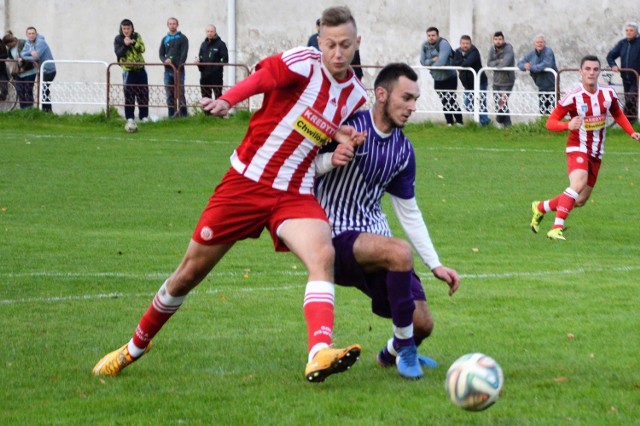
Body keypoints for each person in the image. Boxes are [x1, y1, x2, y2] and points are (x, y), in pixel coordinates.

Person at [92, 6, 368, 384]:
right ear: (319, 41)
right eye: (331, 45)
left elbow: (311, 134)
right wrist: (229, 99)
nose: (338, 53)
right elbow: (263, 80)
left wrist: (338, 148)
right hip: (246, 183)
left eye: (346, 46)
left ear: (358, 44)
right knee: (188, 274)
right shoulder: (303, 62)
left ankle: (319, 352)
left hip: (295, 192)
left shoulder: (354, 94)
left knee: (323, 254)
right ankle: (133, 347)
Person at [315, 63, 460, 380]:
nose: (412, 107)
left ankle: (389, 353)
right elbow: (300, 165)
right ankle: (407, 349)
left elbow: (409, 211)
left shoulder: (403, 150)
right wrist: (329, 160)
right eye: (406, 98)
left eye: (415, 100)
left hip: (374, 240)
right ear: (381, 94)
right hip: (333, 237)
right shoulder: (348, 126)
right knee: (399, 252)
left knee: (423, 323)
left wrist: (435, 264)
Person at [530, 55, 640, 240]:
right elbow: (550, 123)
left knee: (580, 200)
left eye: (595, 69)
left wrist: (631, 132)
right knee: (577, 184)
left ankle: (541, 207)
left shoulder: (608, 93)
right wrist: (567, 125)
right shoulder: (573, 96)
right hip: (577, 147)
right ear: (580, 72)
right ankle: (556, 228)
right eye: (587, 69)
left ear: (599, 72)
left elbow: (617, 113)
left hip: (597, 152)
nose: (591, 72)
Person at [420, 27, 463, 126]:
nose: (431, 38)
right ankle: (449, 123)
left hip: (450, 76)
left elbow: (441, 62)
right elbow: (422, 62)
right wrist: (432, 60)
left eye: (433, 35)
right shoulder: (425, 45)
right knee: (444, 100)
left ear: (437, 35)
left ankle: (460, 122)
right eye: (429, 36)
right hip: (437, 78)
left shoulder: (443, 44)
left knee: (451, 100)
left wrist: (430, 64)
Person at [114, 19, 149, 129]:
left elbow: (142, 48)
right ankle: (129, 117)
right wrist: (125, 44)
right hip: (128, 70)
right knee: (129, 94)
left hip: (140, 68)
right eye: (124, 28)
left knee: (143, 93)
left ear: (132, 28)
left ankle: (144, 116)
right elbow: (118, 52)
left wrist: (133, 43)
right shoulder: (118, 39)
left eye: (128, 28)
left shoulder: (137, 36)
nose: (126, 31)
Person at [453, 35, 491, 126]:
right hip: (467, 84)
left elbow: (468, 63)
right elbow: (454, 62)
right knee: (468, 105)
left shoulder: (474, 51)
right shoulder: (457, 51)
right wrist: (461, 63)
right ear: (460, 44)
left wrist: (461, 64)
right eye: (463, 43)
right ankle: (484, 121)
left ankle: (484, 123)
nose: (465, 45)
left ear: (471, 44)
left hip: (480, 82)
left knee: (481, 103)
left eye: (467, 43)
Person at [606, 21, 640, 122]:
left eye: (631, 30)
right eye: (627, 30)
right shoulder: (622, 43)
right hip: (625, 77)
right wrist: (613, 65)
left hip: (636, 77)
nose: (628, 33)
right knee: (630, 101)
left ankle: (622, 119)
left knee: (630, 99)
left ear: (636, 32)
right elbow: (610, 56)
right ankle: (630, 123)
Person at [517, 34, 558, 114]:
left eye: (541, 42)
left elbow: (546, 64)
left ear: (544, 43)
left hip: (552, 86)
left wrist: (531, 67)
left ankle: (553, 126)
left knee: (553, 112)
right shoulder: (531, 53)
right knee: (543, 111)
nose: (539, 44)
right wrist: (524, 66)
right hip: (541, 86)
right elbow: (519, 64)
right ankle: (543, 125)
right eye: (537, 42)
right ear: (534, 44)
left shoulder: (548, 51)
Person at [20, 27, 56, 112]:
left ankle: (46, 110)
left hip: (48, 70)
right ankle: (46, 110)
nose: (31, 35)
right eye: (29, 34)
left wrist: (26, 56)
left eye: (33, 33)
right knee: (43, 90)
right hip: (41, 70)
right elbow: (22, 53)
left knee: (44, 89)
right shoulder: (28, 43)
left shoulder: (40, 42)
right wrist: (29, 53)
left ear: (36, 34)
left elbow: (36, 57)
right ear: (27, 35)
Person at [159, 17, 188, 117]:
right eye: (170, 24)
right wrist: (164, 61)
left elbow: (184, 54)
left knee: (180, 93)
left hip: (179, 71)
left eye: (174, 23)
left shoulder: (183, 38)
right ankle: (171, 115)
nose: (172, 25)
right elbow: (161, 54)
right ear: (167, 25)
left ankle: (184, 115)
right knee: (169, 93)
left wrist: (178, 67)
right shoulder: (165, 39)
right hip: (168, 71)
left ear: (177, 25)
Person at [487, 31, 515, 127]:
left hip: (507, 81)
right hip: (496, 81)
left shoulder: (508, 48)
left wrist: (497, 63)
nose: (498, 41)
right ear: (493, 40)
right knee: (498, 103)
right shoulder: (492, 49)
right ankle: (508, 125)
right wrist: (499, 61)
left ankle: (500, 120)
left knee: (502, 103)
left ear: (503, 40)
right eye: (496, 39)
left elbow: (505, 63)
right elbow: (489, 63)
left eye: (500, 39)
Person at [195, 24, 228, 99]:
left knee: (218, 96)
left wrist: (216, 68)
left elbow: (225, 59)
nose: (209, 33)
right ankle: (207, 111)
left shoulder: (221, 44)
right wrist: (198, 63)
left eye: (211, 31)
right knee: (205, 97)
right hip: (204, 76)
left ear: (215, 32)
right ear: (206, 32)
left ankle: (217, 111)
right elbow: (200, 57)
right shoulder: (203, 44)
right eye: (208, 31)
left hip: (216, 76)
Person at [3, 31, 35, 108]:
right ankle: (23, 109)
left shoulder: (23, 43)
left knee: (28, 90)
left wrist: (23, 68)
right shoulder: (10, 50)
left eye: (8, 45)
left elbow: (30, 57)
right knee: (20, 90)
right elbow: (12, 59)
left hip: (29, 72)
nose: (8, 47)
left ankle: (29, 109)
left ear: (12, 41)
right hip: (19, 73)